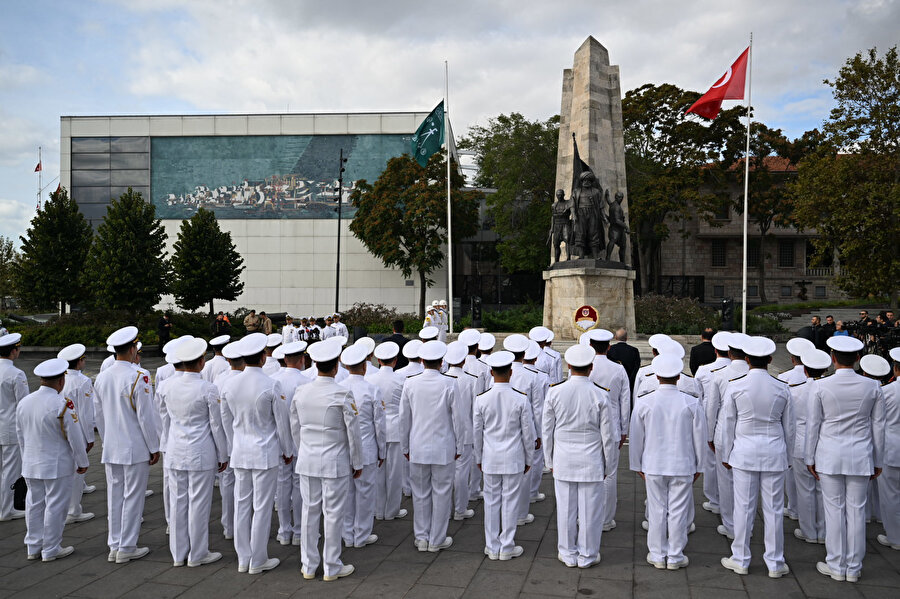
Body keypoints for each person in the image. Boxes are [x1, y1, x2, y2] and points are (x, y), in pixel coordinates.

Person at [805, 335, 885, 583]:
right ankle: (853, 567)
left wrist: (809, 457)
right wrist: (878, 460)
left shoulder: (820, 386)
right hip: (860, 455)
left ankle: (836, 564)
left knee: (834, 511)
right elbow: (878, 426)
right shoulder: (873, 386)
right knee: (857, 511)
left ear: (832, 358)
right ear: (858, 358)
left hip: (829, 454)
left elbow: (813, 425)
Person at [220, 333, 293, 575]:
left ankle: (244, 558)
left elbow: (226, 421)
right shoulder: (271, 384)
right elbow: (282, 423)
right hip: (264, 452)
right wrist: (287, 449)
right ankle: (258, 558)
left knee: (242, 505)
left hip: (240, 451)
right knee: (261, 507)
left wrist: (232, 447)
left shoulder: (230, 384)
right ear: (263, 357)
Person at [719, 337, 792, 579]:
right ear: (770, 359)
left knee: (743, 507)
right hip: (774, 452)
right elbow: (789, 428)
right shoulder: (782, 387)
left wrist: (726, 453)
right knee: (774, 510)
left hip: (744, 452)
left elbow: (728, 424)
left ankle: (740, 559)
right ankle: (775, 562)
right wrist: (788, 456)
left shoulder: (736, 386)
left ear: (747, 359)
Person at [291, 339, 363, 581]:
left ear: (315, 364)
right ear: (336, 366)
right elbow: (353, 433)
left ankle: (309, 565)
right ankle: (331, 566)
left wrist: (302, 451)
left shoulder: (301, 392)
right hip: (335, 461)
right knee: (333, 514)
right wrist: (357, 462)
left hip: (308, 460)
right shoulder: (342, 393)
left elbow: (294, 427)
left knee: (309, 512)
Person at [630, 354, 705, 570]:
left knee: (656, 509)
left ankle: (657, 553)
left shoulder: (644, 402)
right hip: (683, 464)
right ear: (678, 377)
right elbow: (700, 438)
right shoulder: (691, 402)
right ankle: (675, 555)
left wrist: (637, 464)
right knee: (679, 510)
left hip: (653, 463)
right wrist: (700, 466)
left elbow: (636, 436)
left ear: (657, 376)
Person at [543, 343, 615, 568]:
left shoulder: (555, 391)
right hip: (591, 460)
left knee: (565, 509)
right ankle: (587, 554)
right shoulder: (600, 394)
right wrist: (609, 465)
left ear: (568, 365)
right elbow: (608, 436)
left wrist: (549, 460)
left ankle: (567, 552)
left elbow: (547, 430)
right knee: (590, 511)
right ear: (591, 367)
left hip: (563, 458)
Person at [93, 326, 160, 564]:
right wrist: (154, 446)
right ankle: (127, 546)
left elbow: (98, 414)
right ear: (133, 349)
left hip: (112, 445)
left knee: (115, 497)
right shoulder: (139, 376)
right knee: (133, 497)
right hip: (134, 446)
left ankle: (115, 544)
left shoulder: (102, 376)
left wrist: (106, 438)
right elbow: (146, 417)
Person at [162, 338, 229, 568]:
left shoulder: (167, 386)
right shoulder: (207, 388)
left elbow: (164, 420)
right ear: (201, 362)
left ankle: (178, 553)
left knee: (177, 504)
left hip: (175, 451)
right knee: (198, 504)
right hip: (200, 451)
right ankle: (198, 553)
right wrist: (223, 454)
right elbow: (216, 426)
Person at [17, 358, 89, 562]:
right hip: (56, 464)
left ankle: (33, 546)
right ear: (61, 381)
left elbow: (20, 435)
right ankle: (50, 548)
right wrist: (82, 461)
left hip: (31, 463)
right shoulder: (62, 404)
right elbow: (75, 437)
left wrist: (25, 457)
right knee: (56, 506)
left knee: (34, 504)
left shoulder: (25, 402)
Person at [400, 340, 463, 552]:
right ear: (441, 362)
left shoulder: (410, 383)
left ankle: (421, 537)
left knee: (420, 494)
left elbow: (404, 418)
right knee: (442, 493)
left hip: (417, 445)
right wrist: (460, 446)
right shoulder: (450, 383)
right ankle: (437, 539)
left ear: (421, 360)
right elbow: (458, 419)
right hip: (443, 447)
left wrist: (405, 447)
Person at [474, 350, 534, 560]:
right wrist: (529, 458)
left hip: (491, 457)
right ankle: (507, 546)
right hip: (513, 457)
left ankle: (492, 546)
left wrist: (478, 457)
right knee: (510, 501)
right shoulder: (520, 399)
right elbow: (528, 433)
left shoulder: (481, 399)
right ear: (511, 372)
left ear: (491, 372)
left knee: (491, 501)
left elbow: (477, 432)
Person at [706, 332, 751, 541]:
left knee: (726, 481)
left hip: (724, 432)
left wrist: (709, 435)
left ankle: (730, 524)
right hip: (748, 434)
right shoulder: (754, 373)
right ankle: (746, 526)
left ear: (730, 353)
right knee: (747, 486)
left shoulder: (720, 375)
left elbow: (711, 408)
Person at [339, 344, 384, 548]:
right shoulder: (371, 389)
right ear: (365, 366)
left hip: (344, 448)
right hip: (367, 447)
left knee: (346, 493)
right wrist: (382, 450)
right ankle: (362, 534)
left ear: (346, 366)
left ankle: (347, 534)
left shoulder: (339, 387)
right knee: (365, 493)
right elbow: (379, 425)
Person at [586, 329, 630, 532]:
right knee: (609, 473)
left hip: (588, 424)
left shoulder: (584, 366)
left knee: (588, 472)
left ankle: (587, 515)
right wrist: (624, 428)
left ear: (590, 346)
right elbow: (624, 401)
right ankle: (605, 519)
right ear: (609, 347)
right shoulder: (618, 369)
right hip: (612, 424)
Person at [270, 340, 310, 547]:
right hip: (300, 440)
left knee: (282, 486)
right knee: (299, 486)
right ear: (302, 359)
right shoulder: (306, 381)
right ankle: (299, 531)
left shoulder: (273, 380)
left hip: (278, 440)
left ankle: (284, 530)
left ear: (285, 359)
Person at [790, 349, 831, 545]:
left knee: (804, 490)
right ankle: (824, 531)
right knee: (824, 491)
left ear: (805, 370)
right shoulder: (829, 389)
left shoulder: (794, 390)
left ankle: (809, 531)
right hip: (824, 444)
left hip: (800, 443)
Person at [367, 341, 408, 522]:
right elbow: (405, 409)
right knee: (395, 474)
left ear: (378, 360)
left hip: (376, 429)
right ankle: (392, 510)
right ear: (395, 360)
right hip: (396, 429)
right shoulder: (401, 379)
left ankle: (378, 509)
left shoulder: (370, 379)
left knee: (378, 471)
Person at [504, 334, 542, 526]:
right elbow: (537, 409)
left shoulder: (496, 373)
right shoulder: (532, 376)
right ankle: (520, 513)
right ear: (524, 354)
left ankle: (506, 512)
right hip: (525, 428)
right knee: (525, 470)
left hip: (501, 427)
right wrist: (538, 434)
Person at [57, 344, 96, 524]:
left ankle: (66, 506)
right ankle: (73, 511)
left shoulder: (60, 378)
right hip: (77, 429)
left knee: (67, 468)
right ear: (79, 362)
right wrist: (90, 437)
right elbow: (86, 413)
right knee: (78, 469)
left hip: (60, 428)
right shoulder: (82, 381)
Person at [694, 332, 732, 516]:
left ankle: (714, 499)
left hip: (712, 419)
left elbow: (699, 397)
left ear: (715, 350)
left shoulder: (704, 370)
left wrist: (708, 434)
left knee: (711, 462)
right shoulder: (742, 371)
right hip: (736, 421)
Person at [212, 341, 245, 540]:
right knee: (245, 490)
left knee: (227, 485)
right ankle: (242, 527)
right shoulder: (244, 380)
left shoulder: (220, 380)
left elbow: (217, 418)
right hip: (243, 441)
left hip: (225, 440)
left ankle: (228, 527)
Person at [444, 341, 478, 521]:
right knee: (462, 472)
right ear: (464, 360)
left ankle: (445, 509)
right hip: (466, 431)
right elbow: (475, 411)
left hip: (445, 432)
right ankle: (460, 508)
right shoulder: (471, 380)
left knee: (445, 474)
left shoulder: (443, 378)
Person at [0, 333, 28, 521]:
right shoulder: (16, 374)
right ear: (13, 351)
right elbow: (23, 405)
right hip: (10, 428)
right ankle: (6, 509)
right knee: (10, 471)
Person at [877, 347, 900, 550]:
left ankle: (895, 536)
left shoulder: (887, 391)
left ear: (895, 368)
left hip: (892, 448)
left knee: (891, 494)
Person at [607, 328, 640, 394]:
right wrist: (630, 381)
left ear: (616, 337)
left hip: (613, 383)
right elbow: (636, 367)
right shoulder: (634, 350)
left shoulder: (610, 350)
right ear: (626, 338)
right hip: (630, 384)